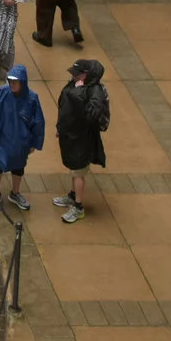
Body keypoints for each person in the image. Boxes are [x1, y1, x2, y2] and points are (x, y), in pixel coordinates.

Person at [0, 64, 44, 213]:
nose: (12, 84)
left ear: (23, 82)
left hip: (21, 141)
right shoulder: (0, 94)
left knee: (18, 166)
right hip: (1, 137)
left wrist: (35, 141)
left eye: (16, 81)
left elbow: (38, 121)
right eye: (11, 81)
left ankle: (15, 193)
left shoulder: (32, 98)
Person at [52, 58, 108, 224]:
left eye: (77, 74)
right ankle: (72, 195)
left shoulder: (94, 91)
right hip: (70, 134)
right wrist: (60, 126)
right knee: (73, 168)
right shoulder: (75, 84)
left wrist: (76, 93)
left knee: (78, 171)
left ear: (86, 75)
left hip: (82, 138)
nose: (74, 77)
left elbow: (91, 115)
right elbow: (64, 106)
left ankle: (78, 207)